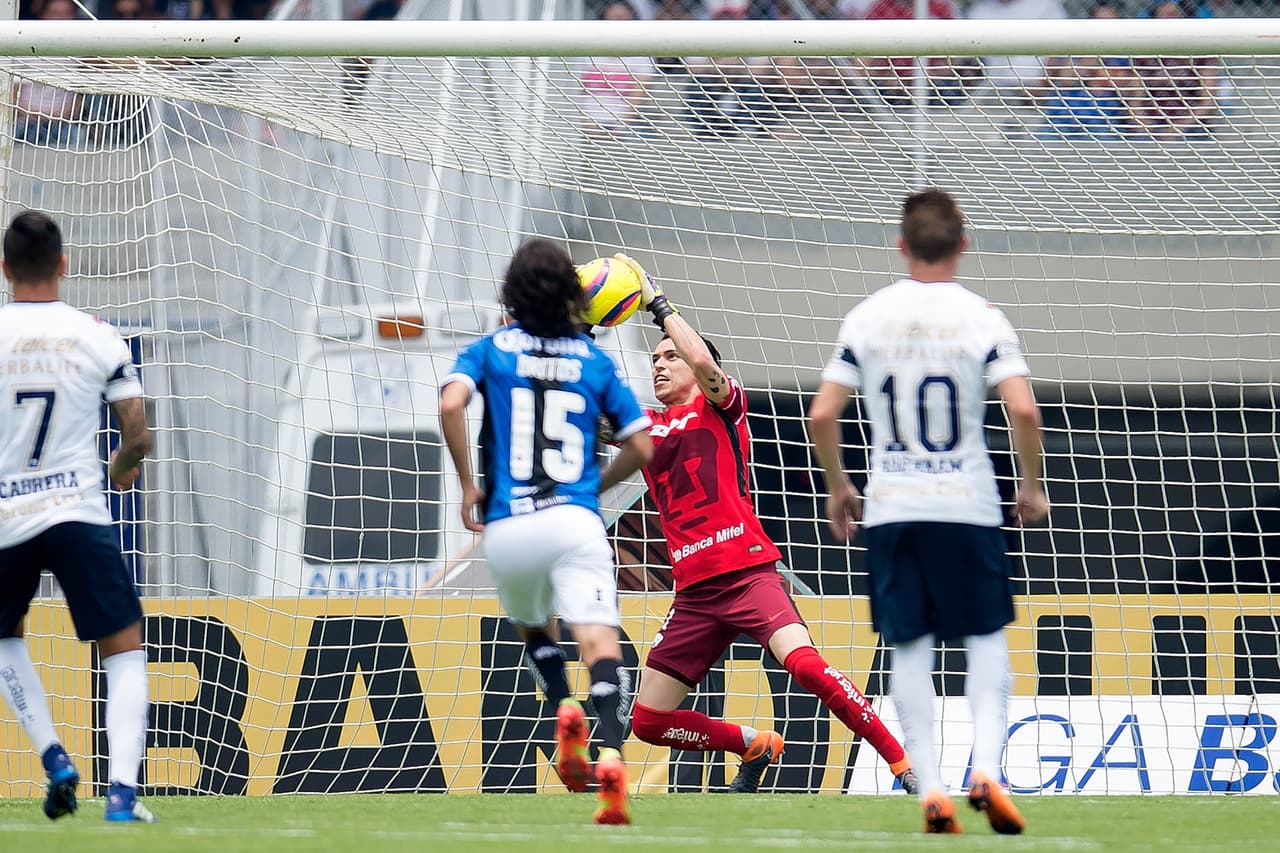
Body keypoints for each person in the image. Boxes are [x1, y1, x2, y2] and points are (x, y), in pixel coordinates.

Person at [609, 253, 918, 795]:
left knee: (805, 668)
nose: (659, 364)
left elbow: (705, 367)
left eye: (669, 356)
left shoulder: (719, 408)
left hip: (748, 574)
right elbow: (591, 420)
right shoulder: (647, 429)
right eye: (653, 359)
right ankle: (753, 743)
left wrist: (658, 306)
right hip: (695, 594)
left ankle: (903, 766)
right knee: (647, 722)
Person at [807, 188, 1049, 834]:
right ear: (963, 244)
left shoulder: (868, 316)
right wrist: (1030, 483)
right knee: (985, 641)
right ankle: (990, 770)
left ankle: (932, 787)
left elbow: (822, 412)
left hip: (893, 507)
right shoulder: (983, 317)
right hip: (967, 505)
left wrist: (839, 485)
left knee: (910, 649)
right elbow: (1024, 409)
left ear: (902, 245)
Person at [439, 238, 653, 825]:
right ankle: (609, 750)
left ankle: (561, 702)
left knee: (536, 623)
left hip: (511, 525)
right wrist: (594, 482)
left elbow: (451, 406)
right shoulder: (595, 361)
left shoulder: (490, 349)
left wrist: (467, 485)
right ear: (571, 295)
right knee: (600, 643)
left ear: (511, 293)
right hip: (575, 519)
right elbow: (642, 446)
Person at [0, 210, 156, 823]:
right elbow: (139, 433)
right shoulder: (97, 335)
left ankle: (55, 757)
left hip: (8, 515)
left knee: (4, 637)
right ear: (64, 264)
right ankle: (121, 797)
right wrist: (121, 466)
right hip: (77, 511)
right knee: (123, 647)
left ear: (4, 268)